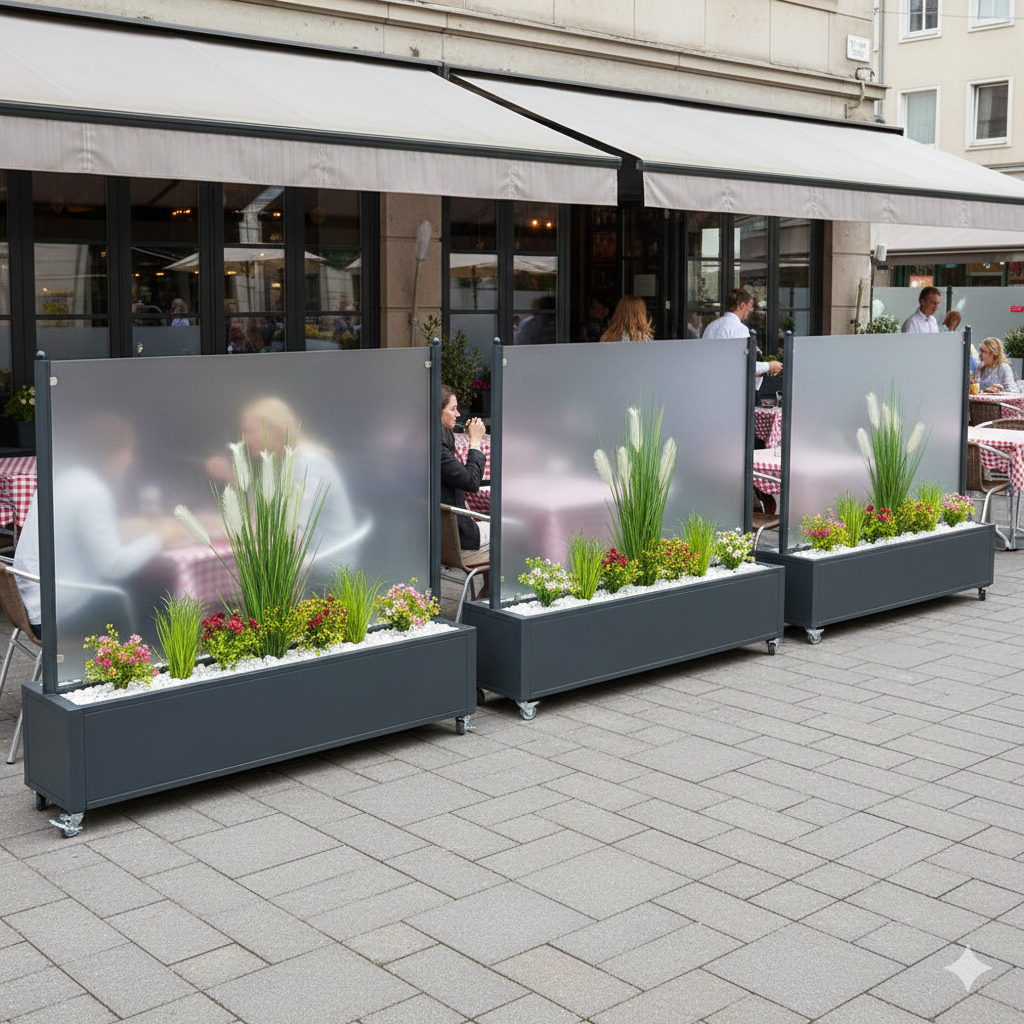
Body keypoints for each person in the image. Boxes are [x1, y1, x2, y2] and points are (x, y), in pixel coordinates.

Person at [440, 385, 488, 551]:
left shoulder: (433, 435)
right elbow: (472, 483)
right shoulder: (436, 447)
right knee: (508, 530)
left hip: (439, 534)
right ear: (437, 411)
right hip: (457, 536)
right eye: (453, 409)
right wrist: (475, 442)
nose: (458, 414)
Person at [702, 288, 782, 376]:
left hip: (709, 379)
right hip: (731, 383)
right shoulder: (740, 329)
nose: (751, 309)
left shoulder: (711, 326)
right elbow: (744, 364)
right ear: (743, 305)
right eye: (751, 305)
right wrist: (769, 365)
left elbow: (705, 357)